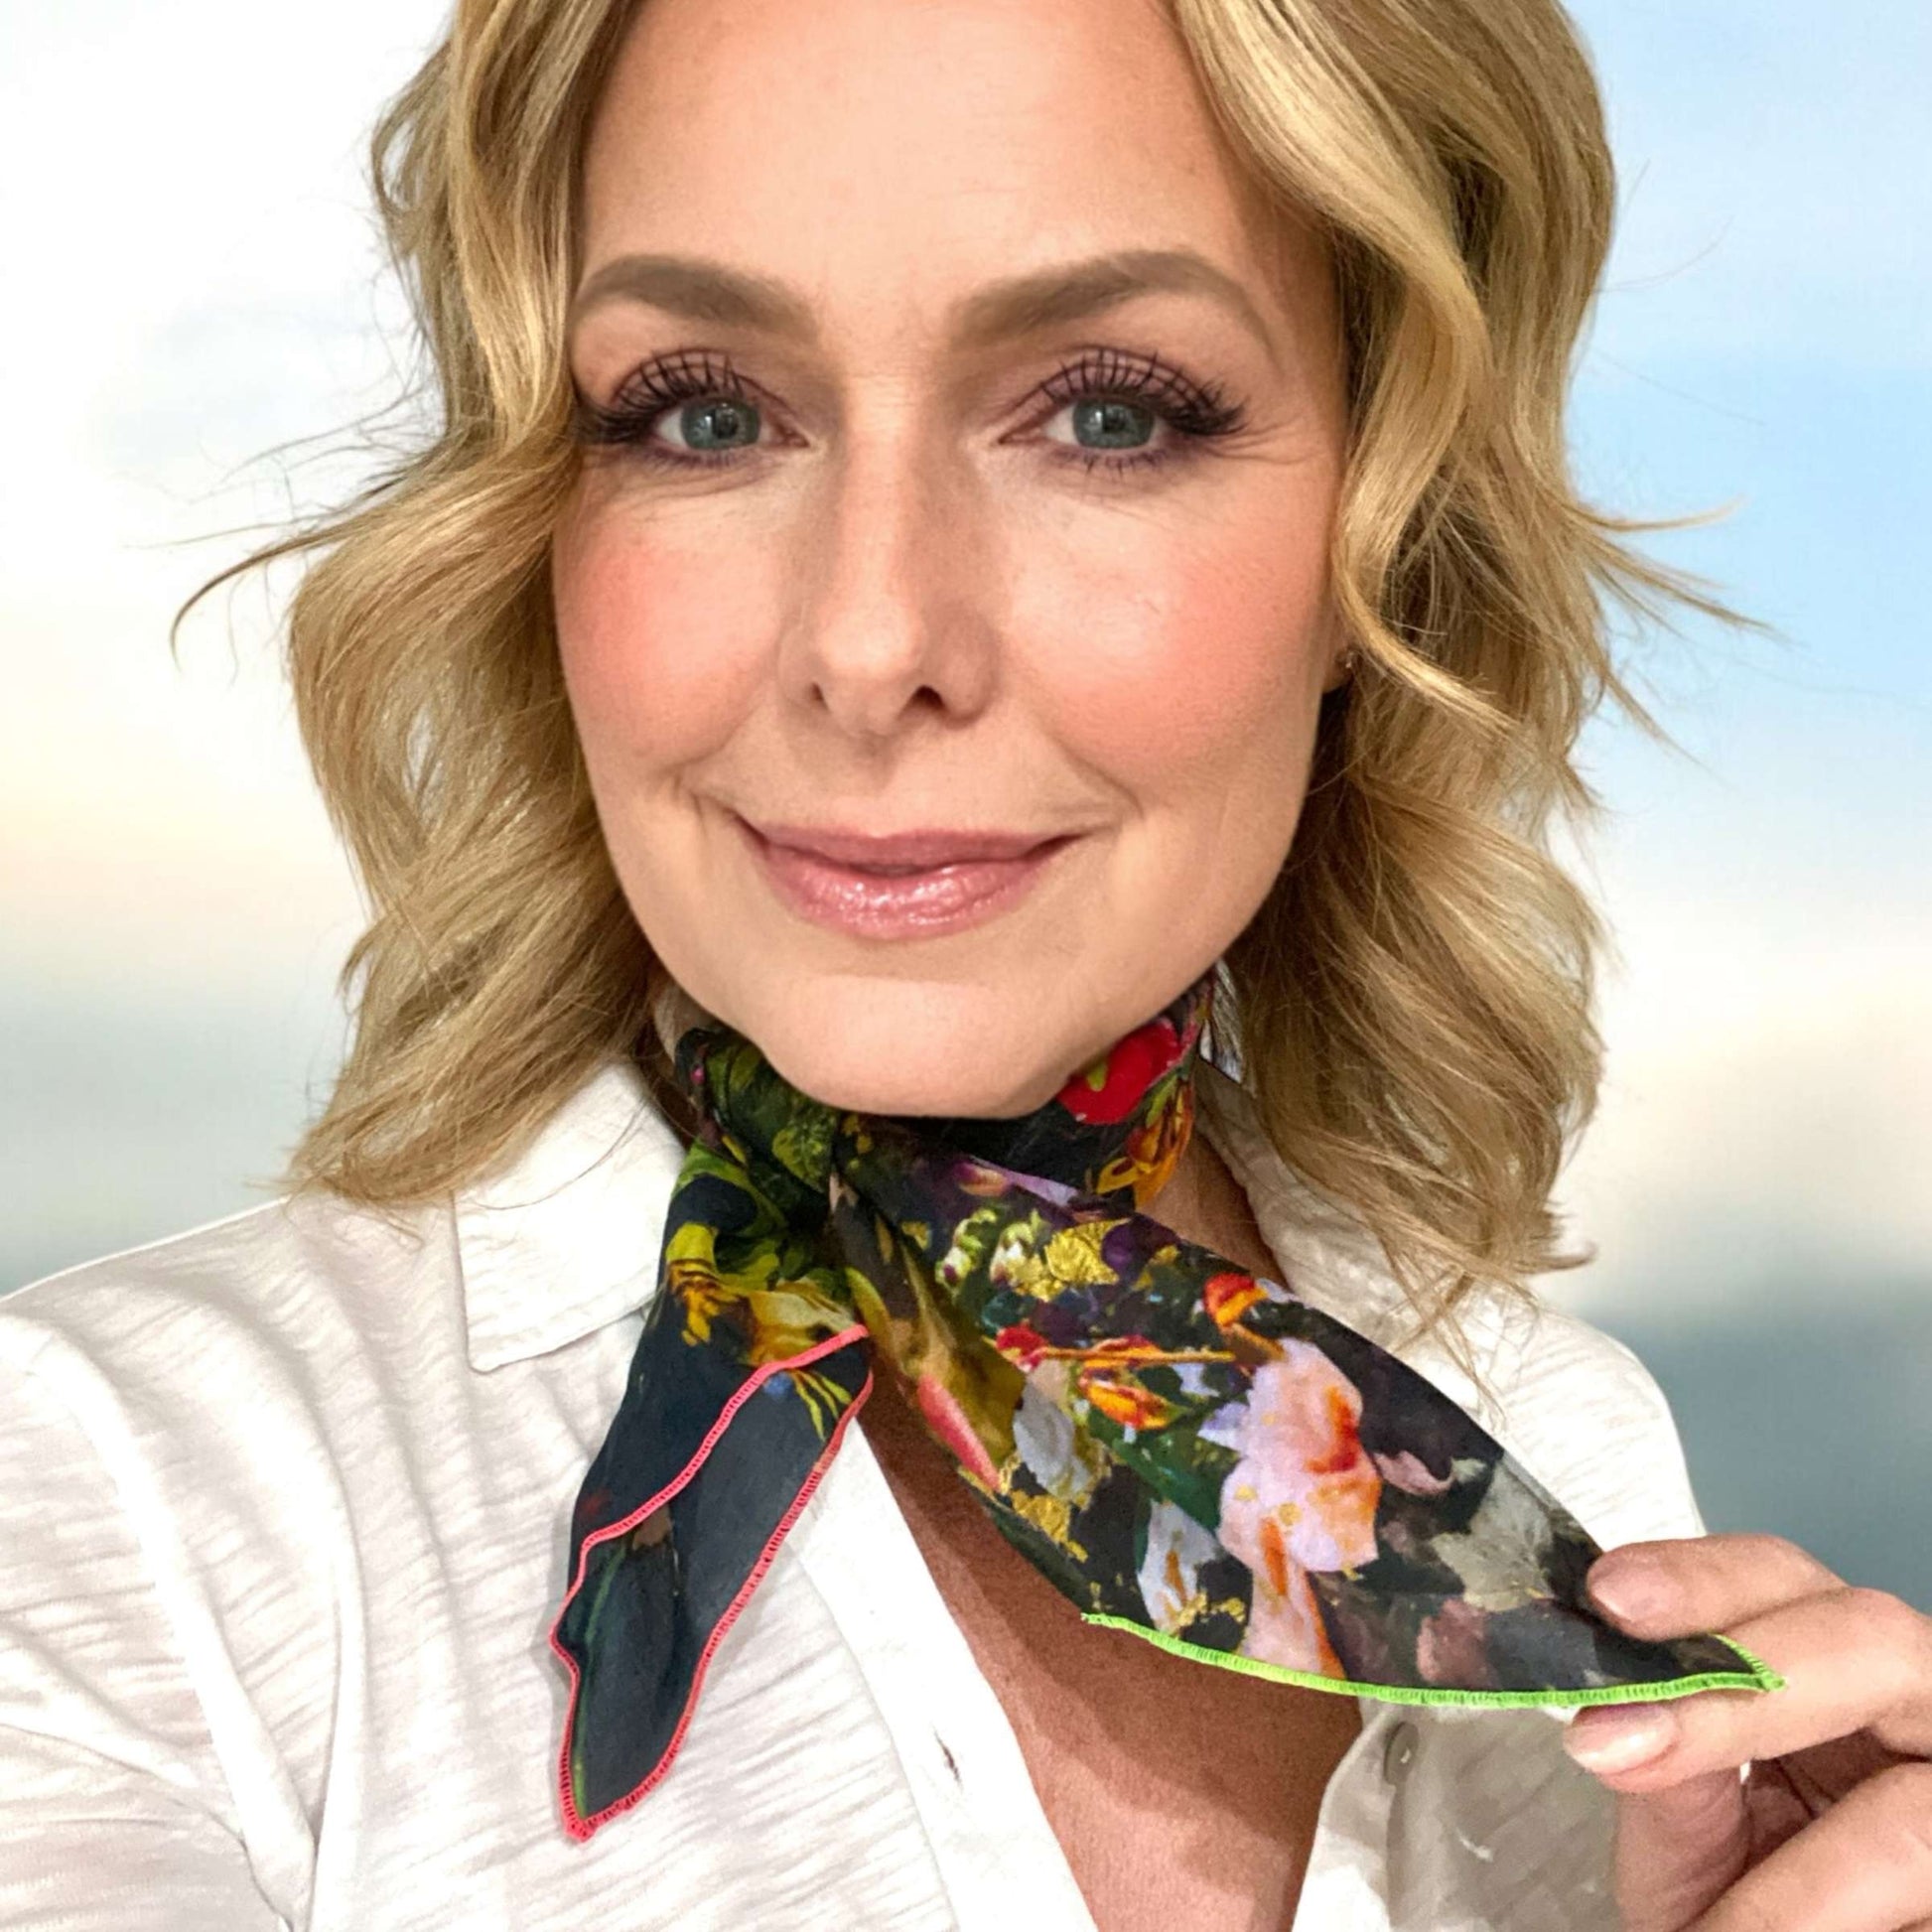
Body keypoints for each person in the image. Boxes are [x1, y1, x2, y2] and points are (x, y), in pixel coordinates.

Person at [3, 0, 1928, 1926]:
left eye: (1106, 413)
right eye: (703, 414)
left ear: (1386, 526)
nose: (869, 639)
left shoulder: (1551, 1434)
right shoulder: (115, 1508)